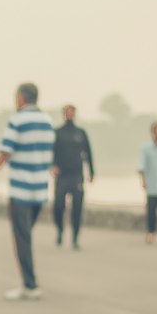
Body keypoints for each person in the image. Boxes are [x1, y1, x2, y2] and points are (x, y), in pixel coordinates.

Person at [0, 83, 55, 299]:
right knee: (26, 236)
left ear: (21, 98)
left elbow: (4, 153)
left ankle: (30, 285)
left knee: (22, 238)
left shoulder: (17, 121)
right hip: (40, 191)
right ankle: (30, 282)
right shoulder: (47, 122)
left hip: (21, 191)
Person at [52, 104, 94, 249]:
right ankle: (60, 230)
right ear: (64, 114)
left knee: (77, 208)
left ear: (75, 114)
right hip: (62, 176)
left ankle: (75, 238)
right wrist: (53, 166)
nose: (70, 115)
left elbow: (88, 153)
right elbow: (52, 152)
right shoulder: (57, 132)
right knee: (58, 206)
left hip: (77, 176)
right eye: (67, 112)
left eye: (72, 112)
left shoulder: (80, 133)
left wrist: (92, 171)